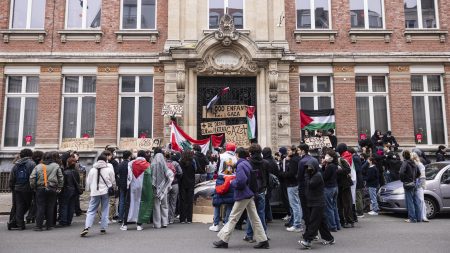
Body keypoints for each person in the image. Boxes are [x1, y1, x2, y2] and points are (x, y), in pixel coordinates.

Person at [213, 147, 269, 249]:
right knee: (254, 218)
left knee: (233, 217)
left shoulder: (241, 165)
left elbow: (241, 181)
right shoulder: (246, 163)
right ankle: (263, 240)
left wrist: (232, 182)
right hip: (249, 193)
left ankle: (224, 240)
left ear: (237, 155)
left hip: (243, 194)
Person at [300, 162, 335, 249]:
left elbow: (310, 184)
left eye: (310, 167)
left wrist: (306, 176)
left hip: (318, 203)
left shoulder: (317, 176)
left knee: (313, 222)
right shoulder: (312, 175)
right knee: (321, 222)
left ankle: (308, 241)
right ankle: (329, 238)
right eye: (307, 167)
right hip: (313, 202)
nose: (308, 169)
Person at [80, 154, 115, 236]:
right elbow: (113, 181)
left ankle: (87, 227)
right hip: (105, 192)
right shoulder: (109, 169)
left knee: (91, 210)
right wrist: (113, 187)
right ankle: (103, 228)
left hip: (95, 192)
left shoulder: (92, 170)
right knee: (105, 209)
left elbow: (88, 182)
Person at [30, 151, 64, 231]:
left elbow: (32, 177)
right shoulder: (56, 166)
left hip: (40, 188)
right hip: (52, 188)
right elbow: (60, 177)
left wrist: (33, 187)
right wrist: (60, 187)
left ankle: (39, 226)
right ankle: (49, 225)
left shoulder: (38, 166)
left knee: (40, 207)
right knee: (50, 207)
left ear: (43, 158)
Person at [121, 150, 153, 231]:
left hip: (132, 187)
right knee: (140, 205)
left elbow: (128, 176)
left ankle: (125, 224)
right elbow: (150, 178)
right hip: (143, 188)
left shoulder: (131, 163)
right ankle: (139, 224)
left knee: (129, 204)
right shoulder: (148, 164)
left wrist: (128, 185)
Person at [245, 144, 269, 242]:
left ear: (251, 152)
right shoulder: (265, 163)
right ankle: (263, 235)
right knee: (261, 213)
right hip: (261, 190)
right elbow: (267, 177)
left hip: (251, 190)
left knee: (251, 213)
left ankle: (249, 235)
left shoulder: (248, 163)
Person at [8, 148, 35, 230]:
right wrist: (33, 187)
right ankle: (15, 221)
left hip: (17, 188)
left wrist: (12, 187)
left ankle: (19, 224)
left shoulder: (16, 164)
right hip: (28, 188)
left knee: (20, 205)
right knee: (28, 205)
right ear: (30, 155)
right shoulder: (32, 164)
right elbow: (33, 177)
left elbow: (12, 178)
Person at [280, 145, 302, 232]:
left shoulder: (293, 160)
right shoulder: (297, 159)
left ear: (293, 151)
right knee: (297, 204)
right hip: (295, 183)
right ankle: (297, 222)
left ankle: (297, 224)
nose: (287, 152)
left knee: (295, 205)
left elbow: (291, 173)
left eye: (289, 150)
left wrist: (282, 174)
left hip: (292, 184)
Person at [297, 143, 318, 229]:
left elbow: (299, 176)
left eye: (298, 150)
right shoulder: (314, 159)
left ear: (303, 151)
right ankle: (314, 231)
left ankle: (309, 230)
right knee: (312, 210)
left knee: (306, 210)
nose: (298, 152)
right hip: (313, 188)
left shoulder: (302, 161)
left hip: (304, 187)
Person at [152, 153, 174, 228]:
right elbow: (170, 176)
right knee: (164, 205)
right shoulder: (165, 166)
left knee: (156, 206)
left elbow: (150, 178)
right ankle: (164, 222)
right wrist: (168, 185)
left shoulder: (152, 166)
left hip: (154, 188)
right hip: (164, 189)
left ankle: (157, 224)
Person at [399, 150, 422, 223]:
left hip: (408, 184)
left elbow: (401, 172)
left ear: (403, 156)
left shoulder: (405, 163)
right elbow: (419, 173)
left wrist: (404, 180)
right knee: (416, 201)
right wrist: (414, 178)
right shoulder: (414, 163)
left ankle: (412, 218)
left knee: (410, 202)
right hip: (414, 183)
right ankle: (419, 218)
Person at [58, 157, 81, 227]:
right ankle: (69, 221)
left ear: (68, 163)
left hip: (66, 190)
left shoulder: (65, 172)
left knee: (64, 205)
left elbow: (63, 183)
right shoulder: (76, 172)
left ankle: (63, 221)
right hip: (74, 191)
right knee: (71, 206)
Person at [336, 143, 354, 228]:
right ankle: (347, 220)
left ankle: (348, 220)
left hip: (344, 184)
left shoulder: (344, 157)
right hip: (344, 183)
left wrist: (337, 170)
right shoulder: (347, 156)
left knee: (346, 203)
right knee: (345, 202)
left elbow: (347, 169)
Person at [322, 148, 340, 232]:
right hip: (335, 187)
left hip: (329, 188)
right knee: (334, 207)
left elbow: (324, 177)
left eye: (327, 155)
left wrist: (322, 166)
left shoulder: (330, 166)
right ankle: (337, 224)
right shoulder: (334, 165)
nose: (326, 156)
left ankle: (332, 226)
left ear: (331, 157)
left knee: (329, 207)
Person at [262, 147, 279, 223]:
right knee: (267, 201)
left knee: (265, 201)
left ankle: (266, 217)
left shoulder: (265, 162)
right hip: (271, 184)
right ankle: (269, 217)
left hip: (266, 184)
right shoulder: (273, 161)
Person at [411, 152, 429, 222]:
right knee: (418, 201)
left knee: (421, 200)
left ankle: (423, 216)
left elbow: (423, 176)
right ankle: (419, 216)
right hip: (415, 184)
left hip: (418, 185)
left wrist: (422, 185)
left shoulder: (420, 165)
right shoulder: (413, 164)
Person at [179, 151, 196, 224]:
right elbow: (196, 170)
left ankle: (182, 218)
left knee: (182, 201)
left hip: (182, 183)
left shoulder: (180, 163)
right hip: (191, 183)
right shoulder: (193, 163)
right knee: (190, 201)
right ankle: (189, 219)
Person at [166, 151, 183, 224]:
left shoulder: (163, 163)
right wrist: (176, 178)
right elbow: (180, 172)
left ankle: (165, 218)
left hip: (166, 185)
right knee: (173, 202)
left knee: (166, 202)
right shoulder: (176, 163)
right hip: (175, 184)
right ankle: (171, 219)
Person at [117, 150, 132, 223]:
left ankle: (120, 217)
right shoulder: (129, 164)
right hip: (128, 184)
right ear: (129, 156)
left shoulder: (120, 164)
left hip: (121, 184)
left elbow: (117, 173)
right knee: (128, 201)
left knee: (122, 201)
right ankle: (127, 216)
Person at [278, 146, 291, 221]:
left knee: (286, 198)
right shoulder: (283, 159)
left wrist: (280, 173)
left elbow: (283, 171)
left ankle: (289, 213)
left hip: (284, 182)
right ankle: (289, 213)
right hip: (285, 181)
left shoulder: (284, 160)